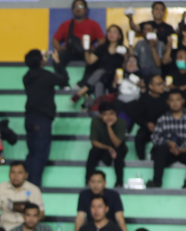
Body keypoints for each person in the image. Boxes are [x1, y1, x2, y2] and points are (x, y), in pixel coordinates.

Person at [23, 49, 70, 187]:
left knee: (32, 154)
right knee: (40, 155)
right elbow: (64, 79)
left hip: (29, 118)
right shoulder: (46, 75)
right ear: (41, 61)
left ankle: (27, 185)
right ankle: (34, 188)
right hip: (42, 120)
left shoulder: (26, 77)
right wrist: (57, 62)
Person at [147, 89, 186, 188]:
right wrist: (168, 143)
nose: (175, 103)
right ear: (168, 102)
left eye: (178, 100)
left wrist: (183, 148)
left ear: (183, 101)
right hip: (168, 153)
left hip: (185, 152)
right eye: (172, 100)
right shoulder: (163, 119)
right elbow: (155, 138)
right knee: (159, 150)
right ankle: (156, 182)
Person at [71, 24, 128, 107]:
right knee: (99, 82)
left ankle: (80, 93)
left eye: (114, 32)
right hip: (102, 78)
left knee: (100, 72)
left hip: (115, 78)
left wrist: (125, 57)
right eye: (109, 32)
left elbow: (127, 67)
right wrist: (86, 49)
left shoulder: (123, 49)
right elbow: (90, 61)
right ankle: (100, 105)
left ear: (119, 36)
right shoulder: (102, 48)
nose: (111, 34)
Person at [51, 0, 105, 65]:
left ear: (85, 10)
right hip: (70, 52)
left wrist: (95, 49)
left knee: (97, 58)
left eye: (80, 6)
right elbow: (55, 39)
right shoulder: (65, 24)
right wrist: (59, 49)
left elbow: (102, 40)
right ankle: (62, 72)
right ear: (73, 10)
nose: (78, 9)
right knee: (57, 58)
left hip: (87, 52)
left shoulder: (93, 24)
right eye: (75, 6)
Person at [87, 102, 128, 186]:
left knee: (118, 152)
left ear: (115, 113)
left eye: (111, 114)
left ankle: (119, 182)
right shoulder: (95, 121)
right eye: (105, 114)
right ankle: (88, 181)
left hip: (118, 148)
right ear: (100, 115)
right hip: (103, 148)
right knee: (93, 152)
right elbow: (94, 142)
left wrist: (108, 126)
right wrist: (108, 148)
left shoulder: (122, 122)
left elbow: (117, 144)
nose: (109, 117)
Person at [130, 74, 169, 161]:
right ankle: (142, 160)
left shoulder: (168, 97)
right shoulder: (143, 99)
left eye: (162, 83)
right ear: (151, 86)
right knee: (140, 137)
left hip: (166, 128)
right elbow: (137, 116)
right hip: (149, 129)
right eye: (159, 84)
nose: (162, 86)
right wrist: (146, 123)